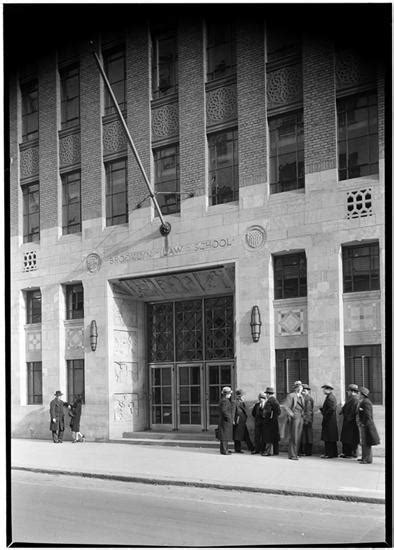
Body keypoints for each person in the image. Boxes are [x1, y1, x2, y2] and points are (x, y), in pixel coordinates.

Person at [357, 387, 380, 464]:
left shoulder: (366, 402)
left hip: (366, 425)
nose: (358, 394)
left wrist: (363, 423)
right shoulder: (363, 401)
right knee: (364, 443)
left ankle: (367, 459)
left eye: (359, 393)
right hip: (365, 425)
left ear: (362, 394)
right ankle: (364, 458)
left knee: (366, 443)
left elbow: (367, 415)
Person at [283, 381, 304, 460]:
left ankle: (296, 453)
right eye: (298, 386)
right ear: (295, 388)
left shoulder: (301, 397)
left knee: (298, 436)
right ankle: (292, 455)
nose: (300, 388)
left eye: (301, 386)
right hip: (295, 417)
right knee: (294, 436)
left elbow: (303, 407)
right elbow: (286, 406)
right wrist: (292, 414)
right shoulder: (291, 395)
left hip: (301, 417)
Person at [339, 384, 360, 458]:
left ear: (352, 391)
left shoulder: (354, 399)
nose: (347, 392)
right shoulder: (352, 399)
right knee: (347, 438)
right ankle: (348, 453)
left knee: (350, 439)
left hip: (350, 423)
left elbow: (352, 412)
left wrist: (348, 419)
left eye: (348, 391)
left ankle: (350, 453)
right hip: (349, 422)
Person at [319, 383, 338, 458]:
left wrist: (324, 414)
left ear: (329, 390)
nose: (323, 390)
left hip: (329, 421)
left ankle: (329, 454)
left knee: (328, 438)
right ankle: (333, 453)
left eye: (324, 389)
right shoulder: (330, 397)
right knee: (330, 438)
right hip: (330, 421)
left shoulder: (330, 398)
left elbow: (331, 409)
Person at [261, 387, 281, 456]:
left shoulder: (269, 401)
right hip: (274, 421)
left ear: (268, 394)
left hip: (269, 422)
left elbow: (267, 412)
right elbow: (279, 412)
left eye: (266, 394)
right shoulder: (275, 400)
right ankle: (276, 451)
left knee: (268, 437)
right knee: (274, 437)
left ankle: (268, 452)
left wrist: (266, 419)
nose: (266, 395)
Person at [233, 389, 254, 453]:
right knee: (237, 436)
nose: (243, 397)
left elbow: (246, 410)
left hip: (242, 421)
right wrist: (233, 420)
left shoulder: (242, 402)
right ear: (238, 396)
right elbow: (233, 412)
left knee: (246, 435)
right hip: (238, 421)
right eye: (242, 395)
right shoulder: (235, 402)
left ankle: (251, 448)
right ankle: (238, 449)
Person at [218, 386, 235, 455]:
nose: (230, 395)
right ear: (227, 394)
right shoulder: (225, 400)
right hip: (225, 421)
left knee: (225, 435)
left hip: (224, 420)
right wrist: (229, 418)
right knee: (224, 436)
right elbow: (224, 411)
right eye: (230, 393)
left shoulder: (224, 400)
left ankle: (224, 449)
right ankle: (224, 450)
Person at [299, 384, 314, 456]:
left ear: (308, 391)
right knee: (305, 436)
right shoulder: (304, 398)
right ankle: (305, 451)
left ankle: (307, 452)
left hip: (307, 420)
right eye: (302, 391)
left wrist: (306, 420)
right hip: (305, 419)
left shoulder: (308, 399)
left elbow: (308, 411)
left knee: (307, 436)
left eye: (304, 391)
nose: (302, 392)